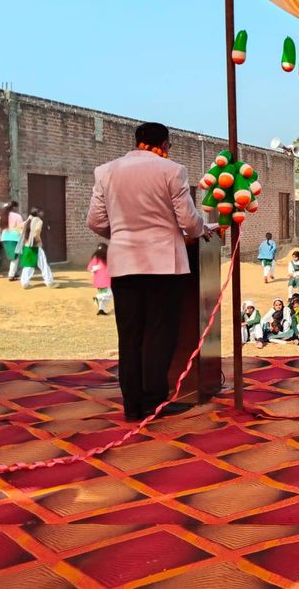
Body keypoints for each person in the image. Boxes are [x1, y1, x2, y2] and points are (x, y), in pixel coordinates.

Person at [86, 122, 213, 421]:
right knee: (159, 334)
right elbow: (189, 221)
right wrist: (200, 229)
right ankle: (154, 401)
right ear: (165, 144)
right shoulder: (172, 171)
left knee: (129, 335)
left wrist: (122, 235)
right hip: (163, 265)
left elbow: (95, 221)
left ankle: (132, 406)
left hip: (124, 265)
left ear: (136, 141)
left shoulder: (106, 171)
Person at [17, 209, 54, 288]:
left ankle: (24, 283)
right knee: (43, 264)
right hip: (35, 246)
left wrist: (26, 238)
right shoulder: (39, 221)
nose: (42, 213)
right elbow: (37, 231)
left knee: (28, 265)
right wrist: (34, 238)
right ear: (37, 213)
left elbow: (18, 228)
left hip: (27, 245)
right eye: (41, 212)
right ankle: (49, 282)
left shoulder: (28, 220)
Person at [0, 202, 23, 281]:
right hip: (14, 238)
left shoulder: (3, 216)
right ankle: (11, 274)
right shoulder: (17, 216)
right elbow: (21, 228)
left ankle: (14, 273)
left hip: (5, 238)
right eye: (17, 207)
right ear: (14, 207)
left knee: (13, 257)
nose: (17, 209)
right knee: (15, 257)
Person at [88, 243, 112, 315]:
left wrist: (95, 268)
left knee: (103, 296)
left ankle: (101, 309)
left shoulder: (96, 258)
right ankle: (97, 298)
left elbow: (89, 268)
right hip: (106, 281)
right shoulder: (108, 258)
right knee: (108, 295)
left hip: (98, 281)